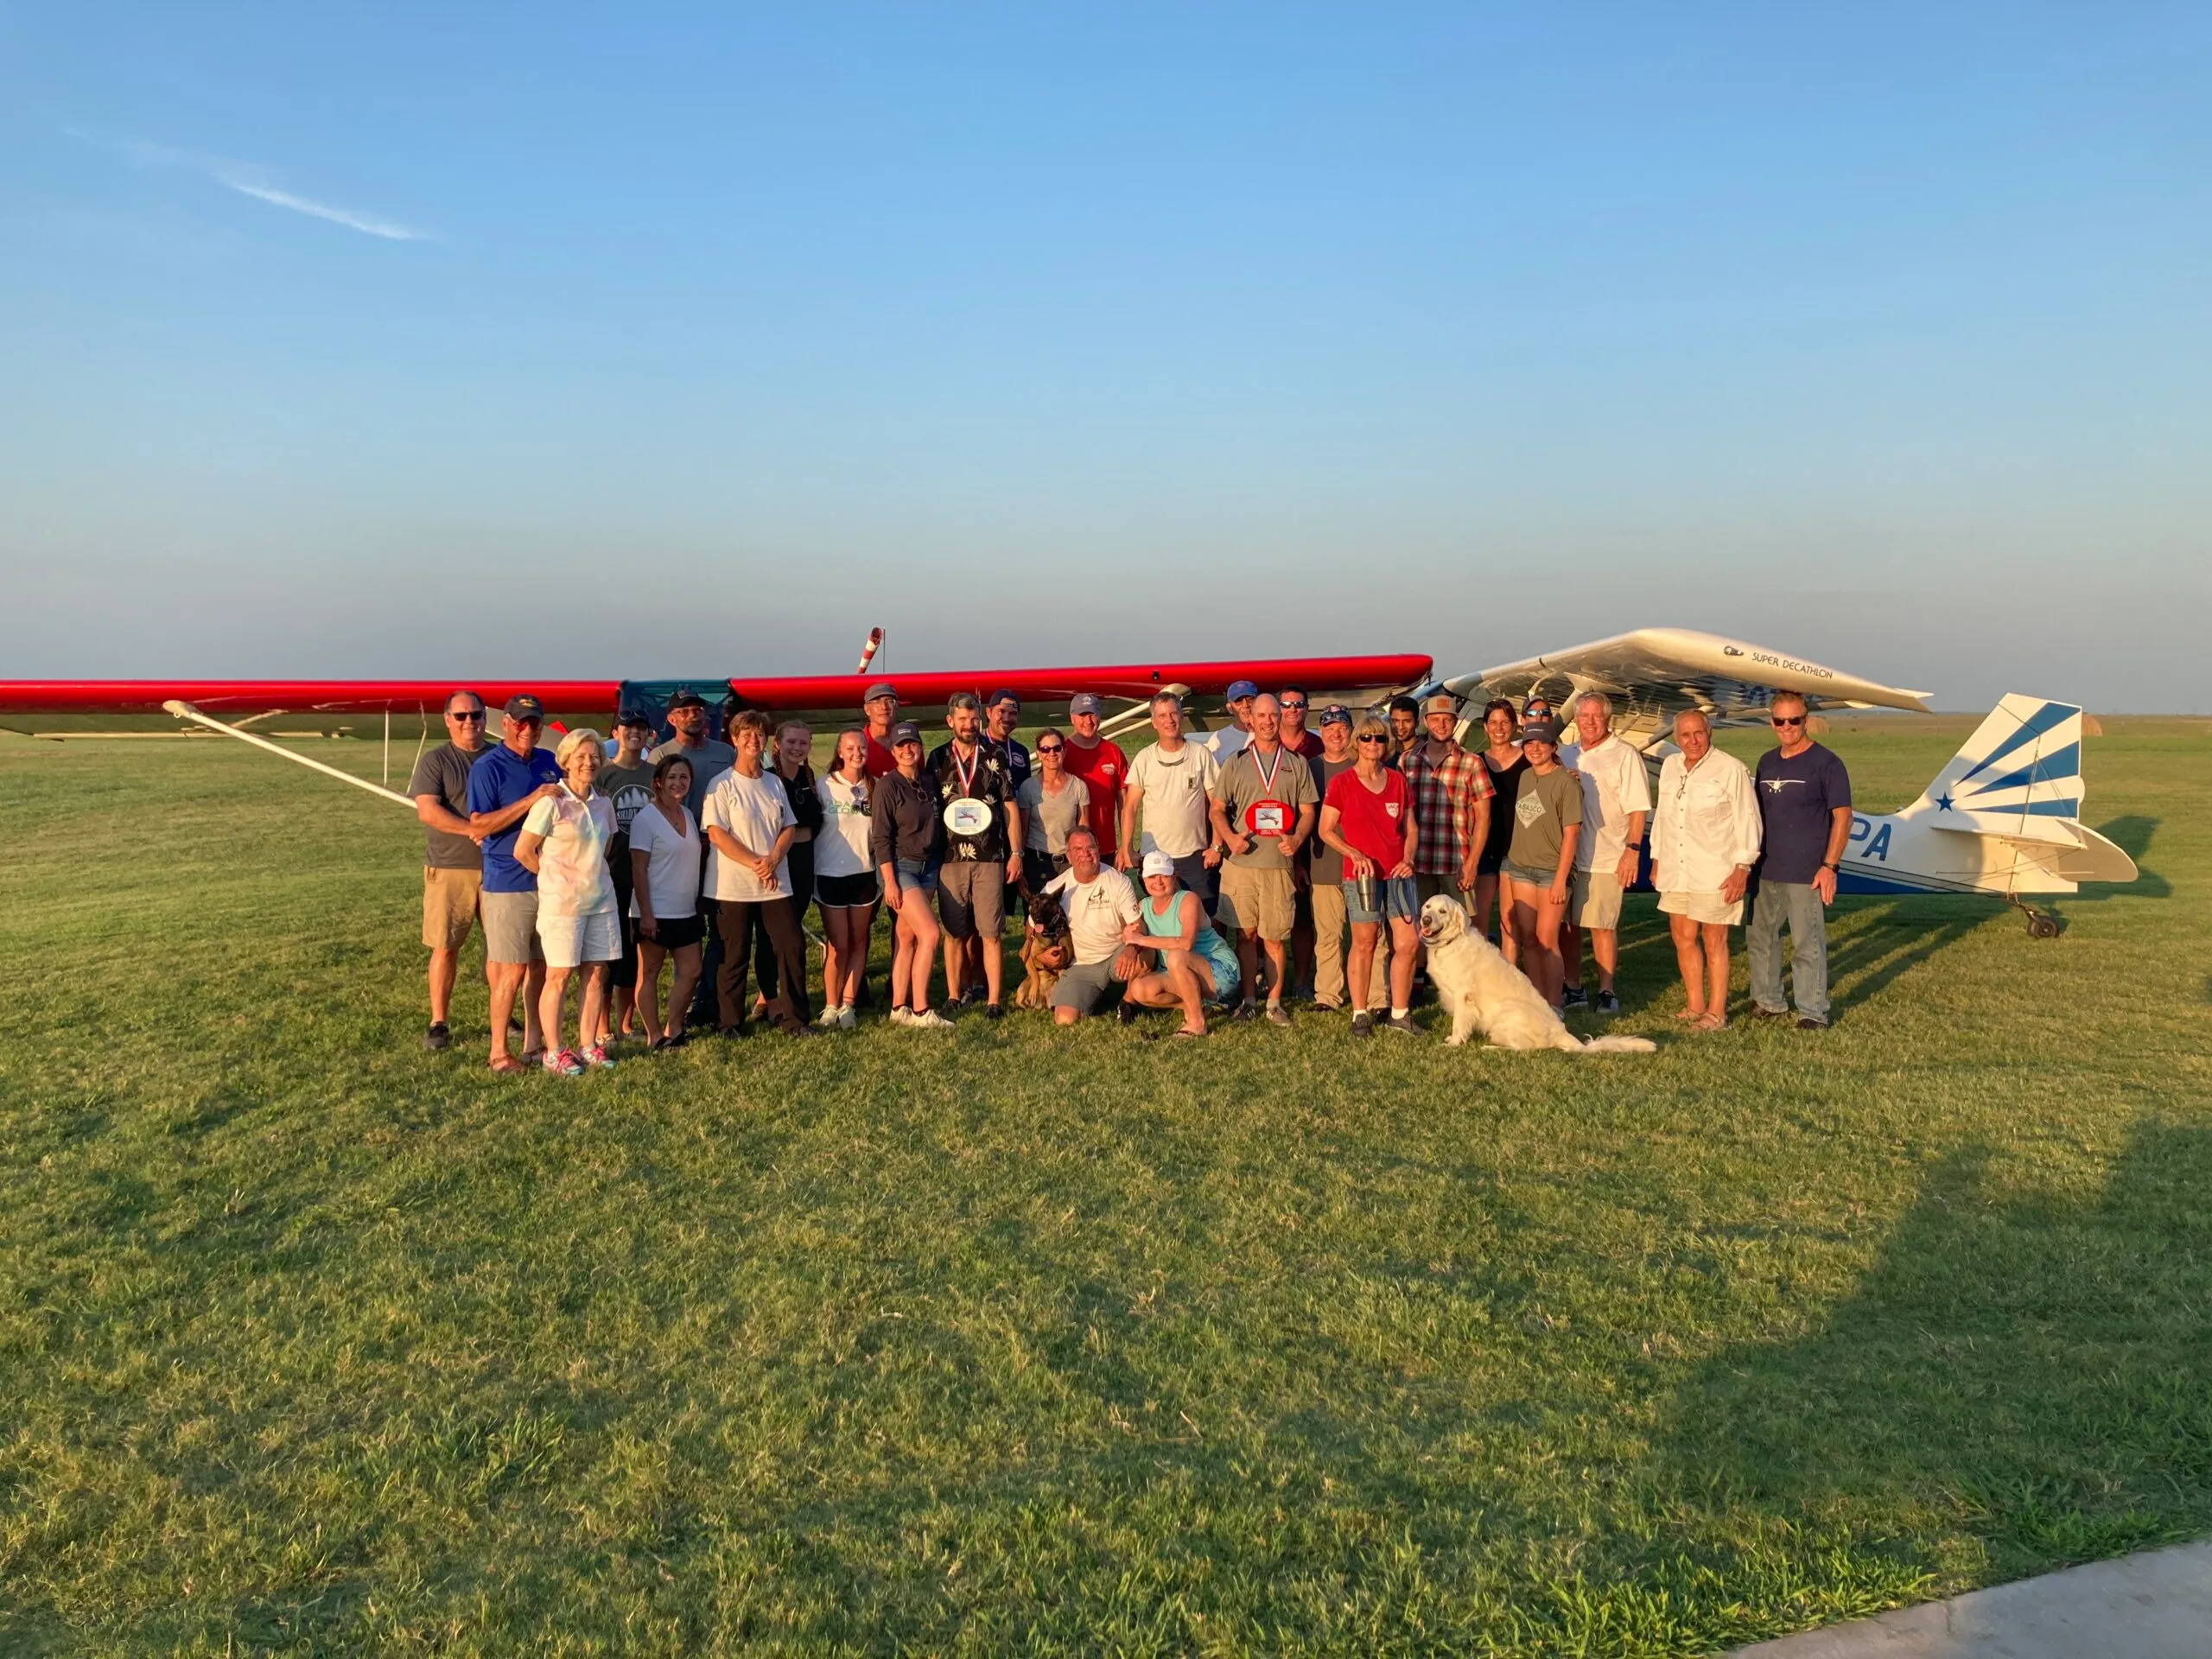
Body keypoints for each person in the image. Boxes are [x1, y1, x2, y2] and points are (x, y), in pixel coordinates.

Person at [515, 727, 621, 1075]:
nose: (588, 763)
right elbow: (523, 850)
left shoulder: (604, 803)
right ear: (566, 761)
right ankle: (554, 1051)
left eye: (593, 757)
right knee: (558, 975)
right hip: (562, 905)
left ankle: (588, 1044)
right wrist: (553, 880)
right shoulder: (551, 802)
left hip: (601, 900)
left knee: (595, 973)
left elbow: (603, 850)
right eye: (580, 757)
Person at [466, 694, 563, 1074]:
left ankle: (534, 1043)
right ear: (505, 723)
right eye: (521, 722)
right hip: (507, 881)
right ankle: (497, 1052)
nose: (528, 730)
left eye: (535, 723)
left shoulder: (549, 762)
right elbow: (479, 825)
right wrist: (532, 799)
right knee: (510, 970)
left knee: (541, 965)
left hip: (548, 880)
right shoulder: (488, 766)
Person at [1208, 692, 1319, 1025]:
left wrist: (1297, 838)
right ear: (1250, 720)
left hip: (1278, 866)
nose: (1268, 721)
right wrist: (1228, 838)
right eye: (1262, 716)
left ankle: (1273, 1003)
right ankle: (1249, 1000)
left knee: (1274, 936)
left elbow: (1308, 810)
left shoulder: (1296, 763)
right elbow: (1216, 809)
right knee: (1245, 935)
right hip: (1241, 866)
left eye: (1274, 715)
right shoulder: (1236, 762)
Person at [702, 709, 812, 1039]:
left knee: (791, 947)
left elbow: (788, 826)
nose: (754, 740)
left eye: (759, 734)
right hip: (733, 886)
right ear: (734, 740)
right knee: (733, 955)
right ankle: (729, 1023)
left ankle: (795, 1019)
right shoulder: (721, 785)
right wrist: (757, 863)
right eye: (746, 734)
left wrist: (775, 857)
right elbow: (717, 834)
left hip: (776, 884)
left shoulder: (774, 782)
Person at [1747, 692, 1853, 1029]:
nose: (1787, 727)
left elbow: (1843, 816)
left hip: (1807, 871)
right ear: (1772, 722)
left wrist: (1829, 866)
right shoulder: (1767, 761)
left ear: (1806, 721)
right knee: (1760, 937)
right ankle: (1769, 1001)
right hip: (1767, 868)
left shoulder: (1827, 762)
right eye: (1780, 720)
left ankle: (1812, 1011)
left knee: (1806, 943)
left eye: (1794, 720)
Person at [1654, 709, 1762, 1030]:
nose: (1693, 741)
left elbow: (1748, 818)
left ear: (1709, 732)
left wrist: (1743, 866)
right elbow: (1663, 815)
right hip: (1677, 867)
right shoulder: (1672, 766)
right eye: (1685, 735)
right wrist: (1658, 857)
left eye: (1698, 733)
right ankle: (1694, 1005)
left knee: (1714, 939)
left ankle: (1717, 1013)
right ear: (1676, 738)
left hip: (1715, 868)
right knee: (1682, 936)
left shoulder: (1730, 769)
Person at [1319, 715, 1423, 1035]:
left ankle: (1400, 1014)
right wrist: (1355, 854)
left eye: (1379, 738)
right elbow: (1326, 830)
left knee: (1408, 943)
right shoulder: (1342, 783)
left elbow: (1411, 827)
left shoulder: (1397, 780)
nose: (1373, 744)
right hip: (1361, 874)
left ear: (1387, 743)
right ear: (1357, 744)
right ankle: (1360, 1012)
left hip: (1397, 874)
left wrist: (1408, 857)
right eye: (1366, 738)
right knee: (1364, 943)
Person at [928, 692, 1023, 1017]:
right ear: (950, 721)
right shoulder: (937, 757)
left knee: (990, 932)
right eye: (963, 719)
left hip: (989, 855)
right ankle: (954, 995)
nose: (969, 726)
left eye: (973, 720)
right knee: (954, 933)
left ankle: (994, 1000)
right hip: (950, 858)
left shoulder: (995, 754)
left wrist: (1016, 853)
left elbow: (1009, 805)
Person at [1558, 692, 1650, 1015]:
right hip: (1567, 856)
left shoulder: (1624, 755)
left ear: (1608, 719)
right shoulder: (1566, 754)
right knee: (1568, 924)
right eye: (1584, 716)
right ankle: (1572, 986)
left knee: (1602, 925)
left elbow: (1638, 808)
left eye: (1596, 716)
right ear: (1576, 719)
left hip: (1607, 854)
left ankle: (1607, 990)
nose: (1590, 722)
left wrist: (1632, 850)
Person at [409, 689, 490, 1052]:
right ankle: (438, 1021)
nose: (469, 722)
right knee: (445, 947)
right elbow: (427, 811)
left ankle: (505, 1015)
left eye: (475, 714)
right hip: (449, 867)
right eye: (461, 716)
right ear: (448, 720)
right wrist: (472, 829)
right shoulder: (436, 761)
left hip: (499, 868)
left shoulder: (499, 757)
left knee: (503, 949)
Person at [651, 687, 736, 1030]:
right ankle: (682, 1004)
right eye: (684, 711)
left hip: (719, 850)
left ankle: (708, 997)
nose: (693, 715)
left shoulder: (725, 752)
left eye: (698, 709)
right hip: (676, 854)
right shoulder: (658, 755)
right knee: (682, 925)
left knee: (717, 927)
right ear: (672, 719)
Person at [870, 721, 952, 1028]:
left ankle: (898, 1007)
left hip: (928, 866)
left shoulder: (930, 782)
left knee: (906, 938)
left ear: (920, 748)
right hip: (901, 867)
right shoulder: (887, 786)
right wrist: (889, 881)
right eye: (901, 745)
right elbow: (880, 838)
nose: (908, 750)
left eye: (913, 744)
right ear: (892, 752)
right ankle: (921, 1010)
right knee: (930, 934)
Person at [1499, 716, 1583, 1010]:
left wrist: (1561, 880)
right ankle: (1538, 1003)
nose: (1535, 749)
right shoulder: (1525, 777)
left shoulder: (1566, 782)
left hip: (1551, 873)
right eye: (1529, 743)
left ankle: (1555, 1004)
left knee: (1548, 940)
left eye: (1541, 743)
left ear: (1553, 747)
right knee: (1530, 940)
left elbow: (1571, 834)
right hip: (1520, 868)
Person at [1117, 692, 1224, 906]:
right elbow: (1130, 806)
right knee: (1161, 921)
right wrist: (1126, 847)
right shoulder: (1145, 758)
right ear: (1154, 722)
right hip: (1155, 856)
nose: (1169, 720)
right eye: (1163, 716)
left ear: (1182, 716)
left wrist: (1217, 845)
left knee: (1202, 920)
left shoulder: (1200, 754)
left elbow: (1216, 803)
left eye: (1174, 713)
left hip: (1194, 856)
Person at [1120, 850, 1241, 1036]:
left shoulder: (1188, 899)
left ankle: (1197, 1023)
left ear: (1174, 877)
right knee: (1140, 989)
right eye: (1152, 876)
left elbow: (1186, 944)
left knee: (1177, 955)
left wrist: (1140, 939)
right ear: (1144, 880)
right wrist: (1129, 938)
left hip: (1220, 972)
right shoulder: (1144, 906)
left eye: (1164, 876)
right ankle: (1200, 1008)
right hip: (1179, 973)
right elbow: (1132, 936)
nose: (1158, 882)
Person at [628, 753, 704, 1050]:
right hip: (654, 909)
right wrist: (647, 914)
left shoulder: (687, 815)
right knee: (649, 972)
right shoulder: (645, 819)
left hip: (685, 909)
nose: (678, 783)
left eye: (684, 777)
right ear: (658, 782)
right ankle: (654, 1034)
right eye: (672, 777)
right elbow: (638, 868)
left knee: (692, 970)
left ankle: (674, 1027)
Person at [750, 720, 821, 1014]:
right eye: (791, 742)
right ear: (776, 744)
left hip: (805, 861)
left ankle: (775, 996)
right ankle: (770, 998)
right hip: (779, 861)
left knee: (791, 931)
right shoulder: (766, 779)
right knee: (771, 935)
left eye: (803, 743)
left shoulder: (809, 775)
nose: (797, 748)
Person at [1039, 828, 1143, 1024]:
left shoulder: (1118, 881)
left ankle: (1128, 1002)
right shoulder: (1056, 888)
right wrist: (1041, 955)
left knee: (1144, 954)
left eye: (1091, 848)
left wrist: (1132, 948)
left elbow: (1137, 924)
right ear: (1068, 856)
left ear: (1099, 849)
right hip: (1082, 963)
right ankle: (1092, 994)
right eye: (1078, 849)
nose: (1085, 854)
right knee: (1064, 1020)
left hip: (1116, 954)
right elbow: (1031, 926)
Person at [1400, 692, 1494, 907]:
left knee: (1463, 928)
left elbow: (1483, 817)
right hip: (1417, 861)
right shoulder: (1407, 761)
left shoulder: (1472, 763)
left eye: (1447, 719)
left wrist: (1472, 862)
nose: (1441, 725)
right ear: (1425, 722)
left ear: (1455, 721)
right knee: (1421, 929)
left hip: (1456, 862)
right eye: (1435, 719)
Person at [598, 709, 658, 1039]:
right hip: (611, 873)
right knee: (610, 950)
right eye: (628, 728)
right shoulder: (603, 775)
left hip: (647, 875)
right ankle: (602, 1026)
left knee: (636, 951)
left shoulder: (654, 773)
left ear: (649, 734)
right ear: (615, 733)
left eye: (641, 728)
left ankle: (626, 1023)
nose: (634, 733)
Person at [812, 729, 879, 1029]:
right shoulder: (823, 785)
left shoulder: (875, 785)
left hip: (865, 873)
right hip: (830, 872)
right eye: (850, 748)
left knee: (858, 940)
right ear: (840, 751)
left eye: (861, 747)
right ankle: (830, 1004)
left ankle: (848, 1006)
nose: (857, 753)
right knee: (837, 944)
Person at [1304, 703, 1366, 1014]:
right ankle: (1328, 995)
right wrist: (1301, 864)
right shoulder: (1309, 768)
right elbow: (1302, 819)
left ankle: (1374, 995)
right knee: (1327, 935)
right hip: (1322, 863)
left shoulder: (1363, 764)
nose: (1336, 734)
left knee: (1369, 934)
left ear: (1351, 731)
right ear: (1321, 732)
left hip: (1362, 865)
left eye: (1342, 727)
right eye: (1329, 728)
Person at [1471, 698, 1528, 963]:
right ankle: (1481, 978)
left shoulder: (1529, 760)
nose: (1499, 728)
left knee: (1509, 920)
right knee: (1479, 919)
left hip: (1515, 849)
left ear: (1515, 726)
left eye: (1505, 722)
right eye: (1493, 722)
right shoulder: (1475, 762)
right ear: (1485, 727)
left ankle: (1510, 976)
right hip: (1483, 849)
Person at [1016, 727, 1090, 895]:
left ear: (1064, 751)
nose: (1052, 754)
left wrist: (1081, 861)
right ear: (1039, 753)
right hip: (1037, 863)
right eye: (1045, 749)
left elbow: (1084, 828)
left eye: (1057, 748)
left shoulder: (1079, 786)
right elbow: (1022, 830)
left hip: (1069, 862)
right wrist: (1020, 866)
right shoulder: (1029, 787)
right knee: (1038, 918)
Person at [1060, 693, 1128, 865]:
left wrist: (1125, 845)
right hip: (1070, 850)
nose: (1088, 721)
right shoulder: (1061, 753)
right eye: (1082, 715)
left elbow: (1124, 803)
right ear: (1072, 718)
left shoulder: (1113, 752)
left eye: (1092, 714)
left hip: (1104, 847)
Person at [1196, 681, 1257, 763]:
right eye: (1238, 701)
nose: (1245, 705)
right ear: (1230, 708)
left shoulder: (1271, 733)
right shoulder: (1218, 739)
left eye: (1250, 699)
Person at [983, 689, 1032, 792]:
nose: (1007, 718)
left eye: (1013, 713)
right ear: (988, 712)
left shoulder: (1021, 751)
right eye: (1002, 711)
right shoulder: (974, 746)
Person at [861, 682, 901, 779]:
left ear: (896, 707)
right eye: (876, 701)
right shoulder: (856, 744)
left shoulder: (909, 743)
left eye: (889, 701)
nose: (884, 707)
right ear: (867, 709)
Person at [1385, 695, 1421, 760]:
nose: (1401, 727)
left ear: (1417, 723)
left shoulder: (1426, 751)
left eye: (1407, 721)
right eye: (1396, 721)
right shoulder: (1383, 751)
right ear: (1389, 721)